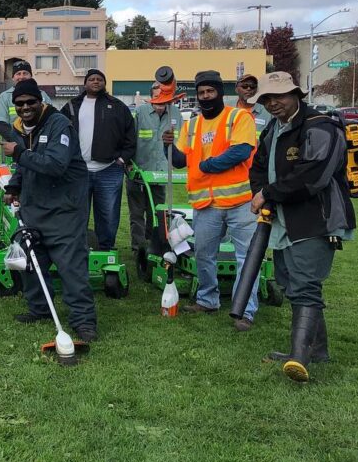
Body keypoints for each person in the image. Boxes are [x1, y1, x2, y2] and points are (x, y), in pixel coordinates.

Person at [249, 72, 354, 382]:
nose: (272, 103)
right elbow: (258, 165)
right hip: (282, 219)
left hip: (315, 218)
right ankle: (315, 349)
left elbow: (313, 176)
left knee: (306, 283)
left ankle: (300, 355)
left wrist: (268, 193)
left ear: (297, 94)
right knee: (290, 282)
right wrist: (261, 193)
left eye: (279, 96)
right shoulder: (272, 129)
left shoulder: (321, 128)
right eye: (267, 99)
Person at [2, 78, 97, 343]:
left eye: (30, 102)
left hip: (64, 210)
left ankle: (83, 320)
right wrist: (14, 186)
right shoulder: (24, 128)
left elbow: (55, 164)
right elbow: (26, 164)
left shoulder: (59, 125)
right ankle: (40, 308)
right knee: (32, 262)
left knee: (71, 267)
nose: (25, 107)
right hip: (34, 209)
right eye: (20, 104)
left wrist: (19, 153)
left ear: (40, 101)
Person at [163, 70, 259, 330]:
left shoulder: (239, 117)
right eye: (201, 92)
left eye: (210, 91)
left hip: (241, 202)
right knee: (204, 255)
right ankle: (208, 299)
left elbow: (241, 151)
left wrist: (208, 165)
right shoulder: (191, 125)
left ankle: (245, 311)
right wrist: (167, 145)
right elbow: (180, 161)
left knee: (246, 258)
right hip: (206, 204)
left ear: (220, 92)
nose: (206, 96)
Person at [61, 68, 136, 251]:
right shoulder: (71, 106)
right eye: (92, 79)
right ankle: (76, 249)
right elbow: (59, 133)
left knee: (108, 215)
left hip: (109, 170)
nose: (96, 82)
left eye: (100, 79)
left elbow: (130, 137)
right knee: (77, 213)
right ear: (85, 83)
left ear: (104, 83)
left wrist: (121, 160)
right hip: (78, 171)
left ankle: (106, 249)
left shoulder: (118, 106)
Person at [126, 80, 183, 253]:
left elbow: (180, 142)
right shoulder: (140, 113)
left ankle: (153, 245)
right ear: (151, 98)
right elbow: (129, 140)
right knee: (136, 213)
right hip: (138, 171)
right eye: (157, 97)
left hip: (161, 173)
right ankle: (138, 247)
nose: (161, 102)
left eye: (165, 97)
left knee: (157, 212)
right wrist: (129, 164)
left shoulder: (176, 115)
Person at [0, 61, 52, 141]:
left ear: (31, 76)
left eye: (25, 73)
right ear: (13, 77)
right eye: (18, 74)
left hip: (39, 144)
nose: (22, 77)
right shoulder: (4, 97)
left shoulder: (43, 95)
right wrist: (20, 142)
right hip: (14, 147)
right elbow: (1, 125)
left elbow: (51, 120)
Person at [235, 74, 272, 138]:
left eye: (252, 86)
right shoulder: (225, 107)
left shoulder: (268, 112)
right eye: (244, 86)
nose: (249, 89)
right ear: (236, 89)